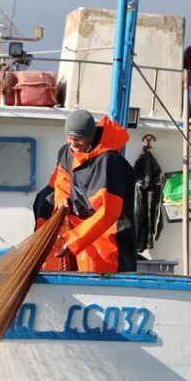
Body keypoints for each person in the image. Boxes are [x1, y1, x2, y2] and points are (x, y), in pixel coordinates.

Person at [48, 109, 138, 273]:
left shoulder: (109, 163)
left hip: (112, 249)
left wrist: (74, 240)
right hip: (83, 244)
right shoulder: (68, 153)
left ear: (91, 136)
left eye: (78, 139)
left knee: (108, 293)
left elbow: (109, 212)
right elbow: (62, 177)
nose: (73, 144)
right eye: (70, 138)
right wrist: (62, 198)